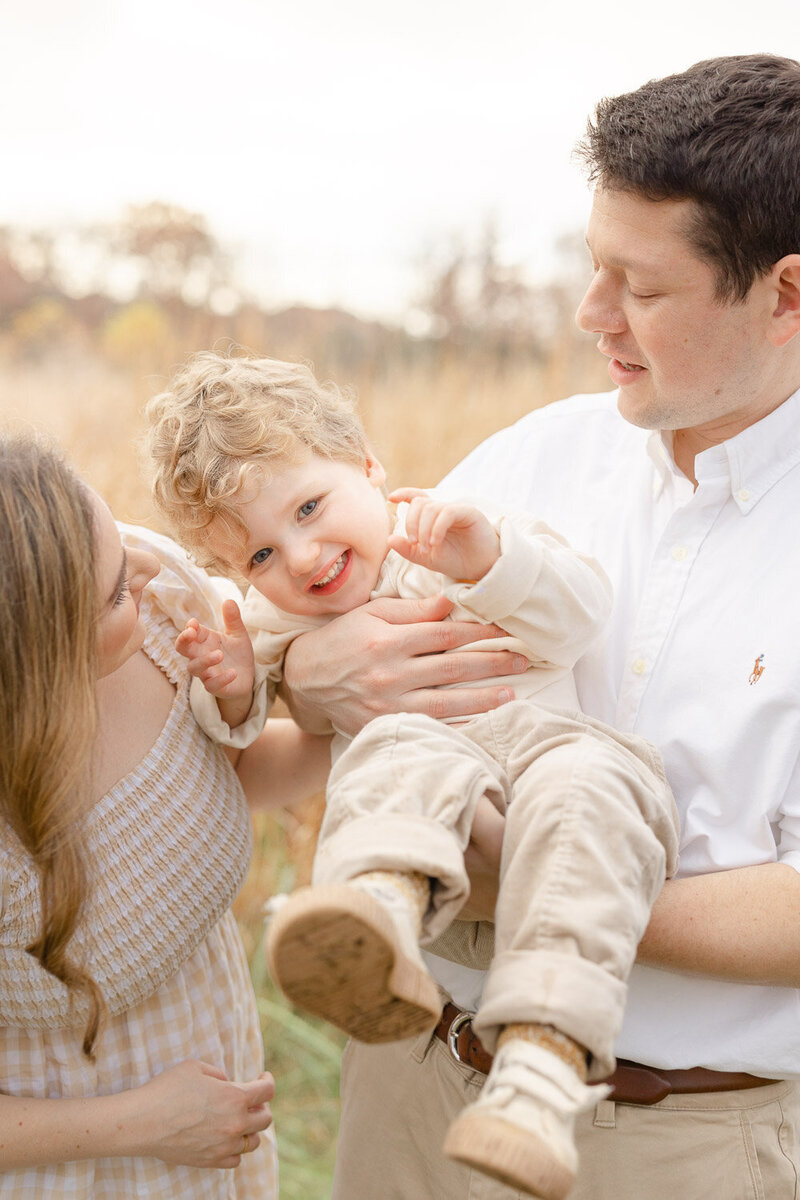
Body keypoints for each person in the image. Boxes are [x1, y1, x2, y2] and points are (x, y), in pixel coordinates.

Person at [257, 53, 800, 1200]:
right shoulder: (530, 456)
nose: (588, 315)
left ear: (783, 297)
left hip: (679, 1142)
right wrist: (311, 670)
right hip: (409, 1089)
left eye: (638, 289)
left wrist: (540, 879)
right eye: (591, 267)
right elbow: (349, 641)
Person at [145, 351, 678, 1199]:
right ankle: (376, 928)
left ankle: (540, 1077)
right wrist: (235, 676)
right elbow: (248, 724)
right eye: (259, 556)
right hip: (437, 796)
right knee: (397, 750)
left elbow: (580, 618)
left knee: (598, 792)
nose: (303, 556)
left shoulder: (453, 530)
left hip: (547, 748)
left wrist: (490, 558)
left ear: (367, 465)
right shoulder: (279, 621)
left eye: (311, 507)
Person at [0, 434, 283, 1197]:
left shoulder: (161, 603)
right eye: (117, 590)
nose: (153, 570)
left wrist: (345, 697)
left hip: (216, 1136)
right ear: (38, 660)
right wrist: (148, 1123)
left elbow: (221, 778)